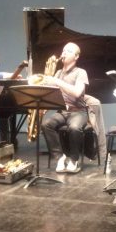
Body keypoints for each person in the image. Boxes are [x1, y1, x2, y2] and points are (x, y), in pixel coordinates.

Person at [39, 42, 88, 174]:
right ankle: (60, 157)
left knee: (74, 128)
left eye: (69, 51)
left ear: (76, 56)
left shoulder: (80, 72)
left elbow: (77, 93)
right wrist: (44, 105)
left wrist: (57, 81)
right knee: (46, 125)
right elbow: (51, 93)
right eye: (63, 50)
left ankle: (73, 159)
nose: (64, 53)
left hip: (79, 112)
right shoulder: (58, 73)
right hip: (62, 111)